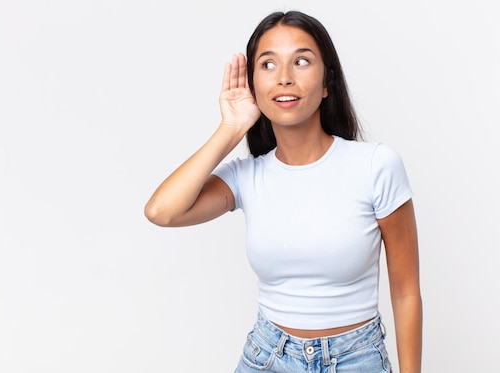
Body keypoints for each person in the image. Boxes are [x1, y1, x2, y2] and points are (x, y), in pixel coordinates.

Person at [144, 10, 422, 373]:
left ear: (327, 84)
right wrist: (231, 128)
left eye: (302, 61)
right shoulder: (246, 176)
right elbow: (161, 212)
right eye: (268, 65)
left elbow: (406, 293)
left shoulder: (375, 166)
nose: (285, 78)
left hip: (357, 359)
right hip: (268, 358)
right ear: (253, 84)